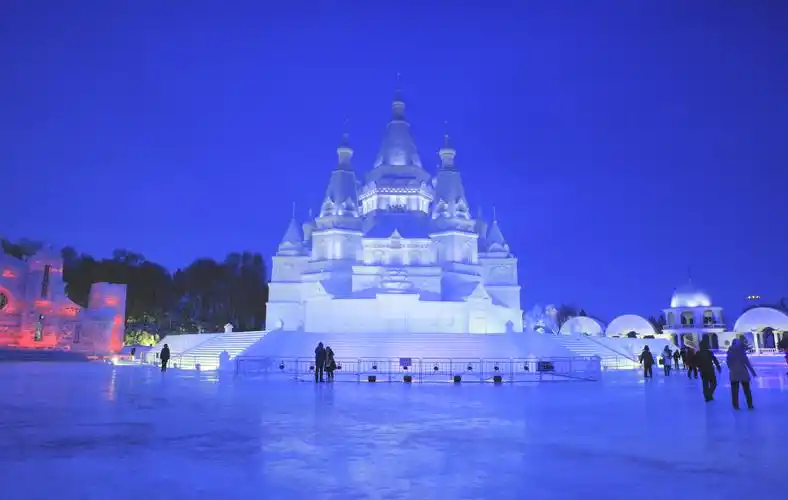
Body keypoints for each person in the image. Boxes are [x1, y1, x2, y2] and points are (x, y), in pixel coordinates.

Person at [727, 339, 757, 410]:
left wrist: (732, 368)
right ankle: (750, 405)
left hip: (734, 373)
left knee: (734, 391)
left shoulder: (730, 352)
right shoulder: (741, 353)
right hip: (743, 373)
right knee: (747, 390)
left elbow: (728, 363)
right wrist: (753, 372)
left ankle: (735, 405)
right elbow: (747, 363)